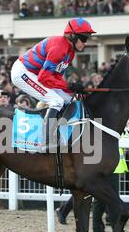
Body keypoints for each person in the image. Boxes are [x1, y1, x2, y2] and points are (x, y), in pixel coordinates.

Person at [11, 17, 96, 151]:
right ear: (73, 36)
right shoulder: (59, 48)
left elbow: (56, 76)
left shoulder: (70, 52)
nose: (85, 43)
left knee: (69, 99)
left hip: (36, 74)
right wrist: (69, 86)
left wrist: (72, 90)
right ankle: (47, 140)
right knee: (56, 101)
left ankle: (64, 132)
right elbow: (44, 77)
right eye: (84, 38)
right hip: (22, 72)